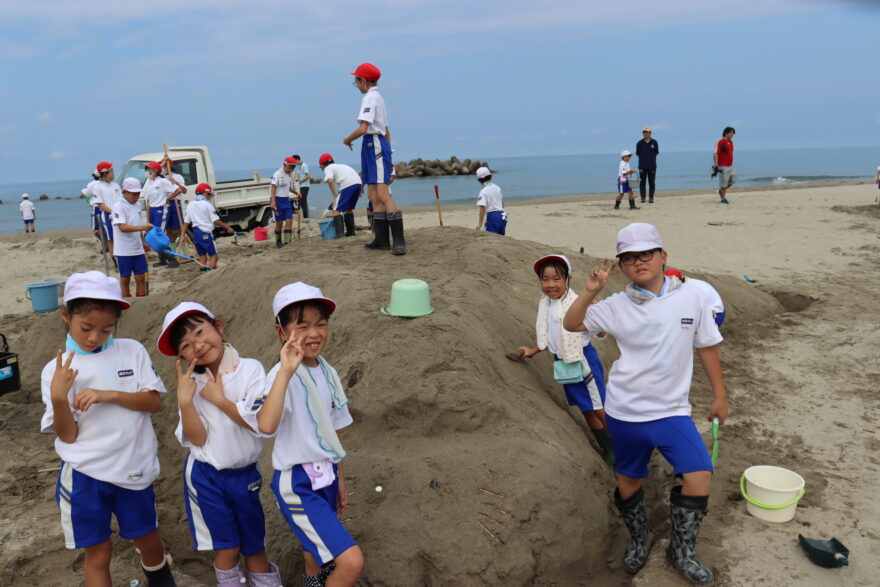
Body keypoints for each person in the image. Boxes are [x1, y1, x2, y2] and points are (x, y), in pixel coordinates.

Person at [562, 223, 728, 584]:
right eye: (629, 258)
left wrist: (720, 396)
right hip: (625, 412)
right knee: (629, 482)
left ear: (663, 256)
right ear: (621, 266)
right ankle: (640, 537)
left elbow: (707, 346)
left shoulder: (693, 296)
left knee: (699, 476)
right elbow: (573, 324)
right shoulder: (616, 305)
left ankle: (680, 551)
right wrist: (589, 292)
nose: (638, 262)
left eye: (646, 254)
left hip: (671, 412)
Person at [39, 271, 176, 586]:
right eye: (86, 328)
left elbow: (153, 402)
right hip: (86, 476)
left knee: (149, 541)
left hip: (134, 468)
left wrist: (108, 395)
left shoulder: (131, 351)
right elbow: (68, 435)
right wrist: (60, 397)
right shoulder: (55, 371)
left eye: (106, 329)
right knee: (98, 553)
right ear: (65, 315)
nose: (94, 337)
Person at [156, 302, 281, 586]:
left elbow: (259, 421)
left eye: (200, 332)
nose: (197, 346)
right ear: (181, 355)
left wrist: (220, 400)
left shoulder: (250, 370)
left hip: (246, 474)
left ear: (219, 326)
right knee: (227, 547)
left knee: (255, 546)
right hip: (207, 478)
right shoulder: (191, 383)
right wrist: (186, 402)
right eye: (186, 345)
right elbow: (197, 438)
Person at [249, 283, 364, 586]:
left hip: (325, 474)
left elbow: (332, 433)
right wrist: (285, 372)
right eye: (303, 326)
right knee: (351, 562)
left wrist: (339, 478)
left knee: (314, 553)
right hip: (298, 482)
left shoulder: (327, 372)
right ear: (281, 333)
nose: (314, 334)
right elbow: (267, 425)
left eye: (321, 324)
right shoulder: (280, 375)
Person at [516, 255, 614, 465]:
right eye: (545, 279)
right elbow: (550, 334)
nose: (551, 284)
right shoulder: (547, 303)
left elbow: (602, 334)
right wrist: (534, 349)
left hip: (583, 361)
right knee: (586, 408)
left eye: (556, 279)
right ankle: (607, 449)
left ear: (568, 279)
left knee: (600, 409)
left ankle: (623, 454)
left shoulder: (578, 303)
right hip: (564, 362)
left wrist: (594, 310)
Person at [343, 62, 406, 255]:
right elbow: (386, 128)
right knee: (372, 195)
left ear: (362, 80)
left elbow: (363, 128)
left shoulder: (371, 98)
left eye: (356, 81)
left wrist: (347, 139)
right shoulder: (377, 97)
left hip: (374, 143)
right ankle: (381, 238)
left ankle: (399, 241)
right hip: (374, 145)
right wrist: (389, 153)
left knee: (382, 193)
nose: (356, 85)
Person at [111, 178, 153, 298]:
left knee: (141, 276)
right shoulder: (119, 206)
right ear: (125, 192)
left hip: (137, 248)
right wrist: (143, 227)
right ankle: (126, 301)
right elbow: (123, 228)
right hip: (124, 250)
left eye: (138, 194)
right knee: (125, 279)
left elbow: (136, 223)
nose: (136, 196)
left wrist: (143, 241)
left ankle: (141, 301)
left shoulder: (138, 205)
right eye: (134, 194)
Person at [180, 183, 235, 273]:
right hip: (206, 233)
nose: (210, 197)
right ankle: (212, 275)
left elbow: (186, 222)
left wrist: (182, 236)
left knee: (203, 256)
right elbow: (216, 221)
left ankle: (203, 273)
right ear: (205, 194)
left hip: (196, 233)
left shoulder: (190, 204)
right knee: (214, 256)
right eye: (209, 195)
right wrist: (228, 228)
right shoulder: (207, 205)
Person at [145, 161, 184, 268]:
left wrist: (168, 198)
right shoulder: (149, 183)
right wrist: (148, 219)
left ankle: (173, 260)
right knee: (154, 234)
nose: (147, 172)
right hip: (152, 210)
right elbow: (148, 202)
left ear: (155, 171)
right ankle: (162, 259)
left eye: (149, 169)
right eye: (147, 170)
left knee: (159, 235)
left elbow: (179, 190)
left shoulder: (162, 181)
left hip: (160, 210)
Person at [319, 154, 362, 238]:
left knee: (336, 209)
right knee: (348, 208)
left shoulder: (328, 168)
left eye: (320, 166)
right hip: (358, 184)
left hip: (348, 185)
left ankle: (340, 235)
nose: (321, 168)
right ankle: (351, 232)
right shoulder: (341, 165)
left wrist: (335, 197)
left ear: (323, 164)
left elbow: (330, 181)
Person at [90, 161, 121, 257]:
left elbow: (121, 200)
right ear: (105, 173)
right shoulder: (98, 187)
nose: (113, 173)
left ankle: (122, 257)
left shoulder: (116, 185)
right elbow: (100, 204)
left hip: (119, 214)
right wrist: (113, 212)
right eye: (111, 171)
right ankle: (115, 261)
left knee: (121, 237)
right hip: (108, 216)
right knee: (111, 239)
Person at [270, 157, 298, 248]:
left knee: (289, 220)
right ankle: (278, 241)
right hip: (277, 200)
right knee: (279, 222)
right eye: (290, 167)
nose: (291, 169)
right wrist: (273, 202)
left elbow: (290, 188)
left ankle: (287, 242)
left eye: (293, 168)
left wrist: (297, 193)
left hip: (286, 200)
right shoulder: (277, 174)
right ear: (285, 165)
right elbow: (273, 187)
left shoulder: (290, 175)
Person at [160, 157, 188, 244]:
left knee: (179, 228)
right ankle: (173, 249)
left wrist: (175, 182)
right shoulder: (161, 178)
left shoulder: (177, 177)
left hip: (175, 203)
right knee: (168, 228)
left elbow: (183, 190)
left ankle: (184, 248)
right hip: (165, 204)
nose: (163, 168)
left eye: (164, 166)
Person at [473, 167, 507, 235]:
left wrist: (480, 224)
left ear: (479, 180)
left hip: (492, 217)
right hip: (502, 216)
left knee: (491, 237)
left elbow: (482, 208)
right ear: (491, 176)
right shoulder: (498, 188)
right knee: (501, 237)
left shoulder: (483, 191)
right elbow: (502, 204)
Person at [635, 127, 659, 204]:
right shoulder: (639, 143)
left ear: (650, 133)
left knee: (652, 183)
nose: (646, 133)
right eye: (644, 132)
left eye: (647, 132)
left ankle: (651, 198)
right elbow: (638, 154)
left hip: (652, 166)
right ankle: (643, 198)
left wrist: (650, 159)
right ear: (643, 133)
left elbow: (656, 152)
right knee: (642, 183)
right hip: (642, 166)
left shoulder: (654, 142)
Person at [713, 127, 736, 204]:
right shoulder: (720, 142)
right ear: (726, 133)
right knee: (724, 184)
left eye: (733, 133)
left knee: (733, 180)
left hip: (730, 165)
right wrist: (716, 164)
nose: (732, 135)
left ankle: (721, 191)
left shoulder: (731, 142)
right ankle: (723, 199)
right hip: (722, 166)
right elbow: (716, 154)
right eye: (731, 133)